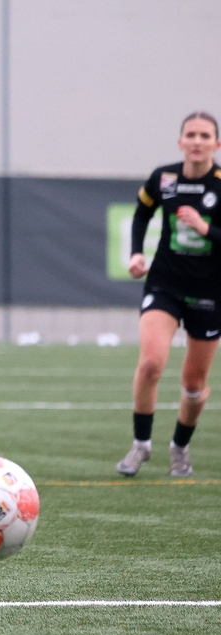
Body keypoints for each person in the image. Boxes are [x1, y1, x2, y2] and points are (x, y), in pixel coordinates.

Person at [116, 111, 221, 478]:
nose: (196, 141)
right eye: (190, 134)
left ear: (216, 144)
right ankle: (141, 445)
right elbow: (142, 213)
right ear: (180, 141)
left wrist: (205, 227)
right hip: (165, 284)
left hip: (210, 292)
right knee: (150, 364)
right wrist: (136, 252)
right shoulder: (164, 178)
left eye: (204, 135)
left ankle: (180, 446)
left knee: (194, 385)